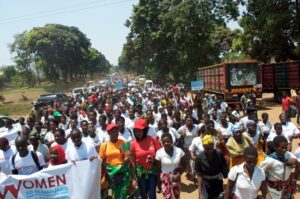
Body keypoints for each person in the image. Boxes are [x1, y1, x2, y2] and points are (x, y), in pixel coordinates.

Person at [131, 119, 161, 199]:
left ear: (145, 130)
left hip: (153, 171)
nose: (138, 133)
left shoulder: (153, 140)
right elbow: (133, 162)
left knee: (152, 193)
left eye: (141, 130)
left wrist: (153, 161)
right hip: (140, 173)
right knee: (143, 193)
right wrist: (134, 178)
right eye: (136, 131)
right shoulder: (133, 144)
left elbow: (160, 156)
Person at [99, 124, 131, 199]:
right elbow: (102, 160)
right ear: (108, 133)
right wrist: (107, 171)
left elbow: (127, 157)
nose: (115, 133)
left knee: (123, 194)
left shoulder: (123, 142)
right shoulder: (104, 145)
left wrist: (126, 157)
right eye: (113, 131)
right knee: (111, 194)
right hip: (111, 174)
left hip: (122, 172)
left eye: (116, 131)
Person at [195, 134, 229, 199]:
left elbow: (224, 167)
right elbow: (199, 175)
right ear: (203, 146)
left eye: (211, 148)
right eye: (207, 149)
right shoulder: (199, 158)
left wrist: (225, 174)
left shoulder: (219, 154)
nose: (209, 150)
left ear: (213, 145)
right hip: (206, 184)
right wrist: (200, 192)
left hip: (218, 182)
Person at [155, 133, 186, 199]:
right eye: (163, 142)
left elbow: (184, 164)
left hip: (176, 178)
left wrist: (179, 173)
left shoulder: (179, 151)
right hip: (165, 179)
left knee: (176, 196)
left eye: (168, 141)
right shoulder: (159, 153)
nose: (166, 143)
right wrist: (158, 183)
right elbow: (158, 169)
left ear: (172, 141)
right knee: (167, 197)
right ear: (161, 143)